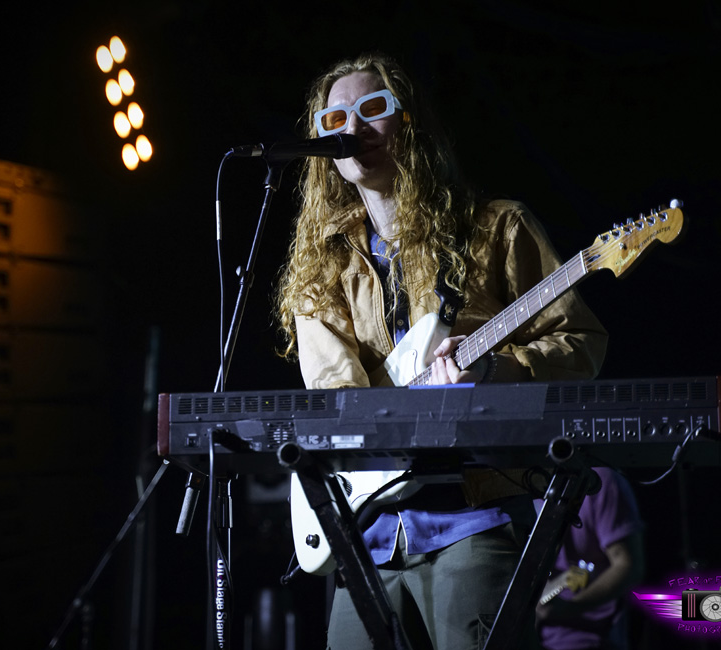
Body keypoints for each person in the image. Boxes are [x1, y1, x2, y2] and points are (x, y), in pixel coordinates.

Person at [275, 52, 608, 649]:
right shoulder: (322, 266)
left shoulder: (497, 227)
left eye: (372, 110)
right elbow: (335, 397)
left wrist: (496, 368)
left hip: (473, 517)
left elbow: (580, 343)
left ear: (409, 123)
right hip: (367, 533)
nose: (352, 128)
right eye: (335, 119)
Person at [536, 468, 645, 650]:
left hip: (591, 641)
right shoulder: (523, 483)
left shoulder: (600, 480)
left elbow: (628, 565)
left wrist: (568, 609)